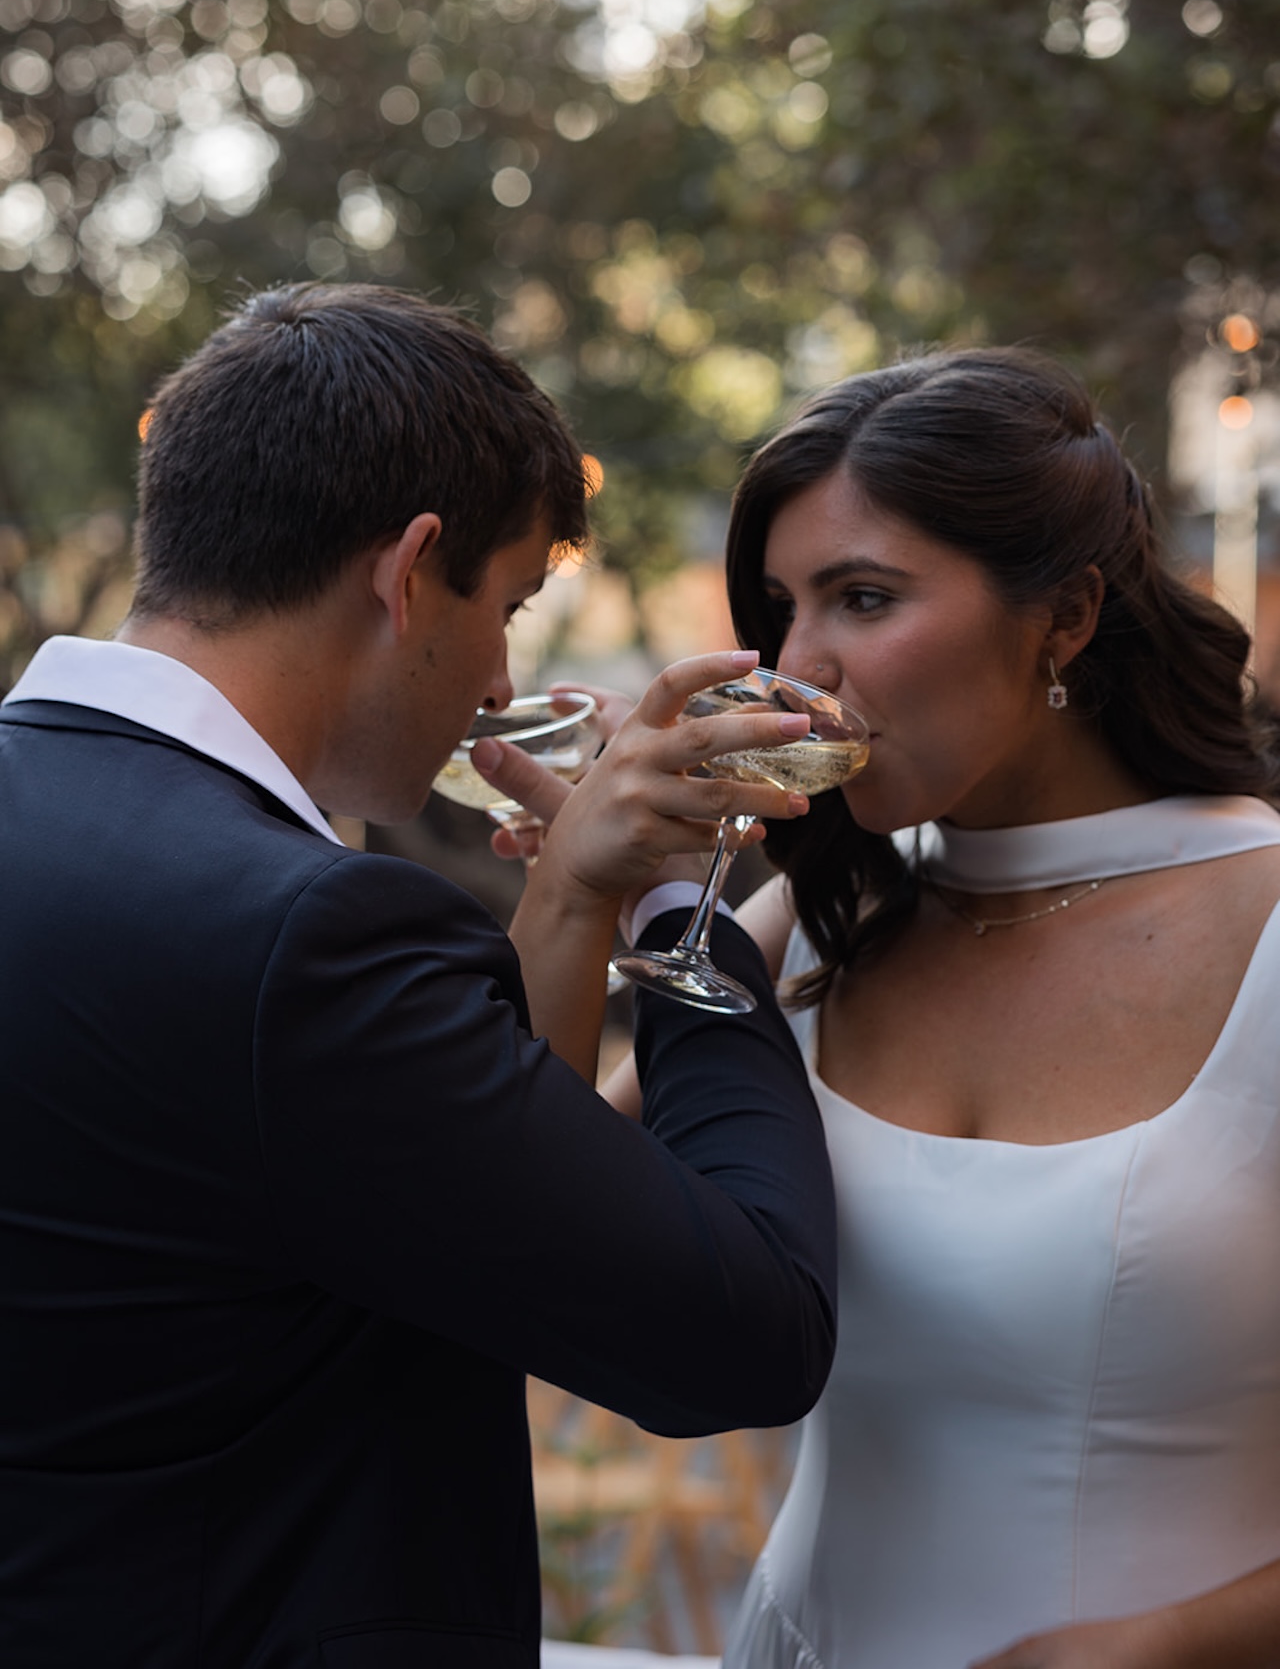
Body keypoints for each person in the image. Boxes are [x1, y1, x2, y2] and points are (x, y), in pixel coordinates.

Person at [0, 282, 838, 1669]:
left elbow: (443, 1211)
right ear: (407, 570)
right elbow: (741, 1335)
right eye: (505, 604)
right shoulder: (302, 941)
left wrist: (571, 892)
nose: (499, 674)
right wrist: (690, 886)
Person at [601, 346, 1280, 1668]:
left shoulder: (1266, 929)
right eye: (781, 612)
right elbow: (531, 1221)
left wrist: (1159, 1647)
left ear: (1066, 616)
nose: (802, 671)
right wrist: (590, 897)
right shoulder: (817, 921)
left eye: (863, 598)